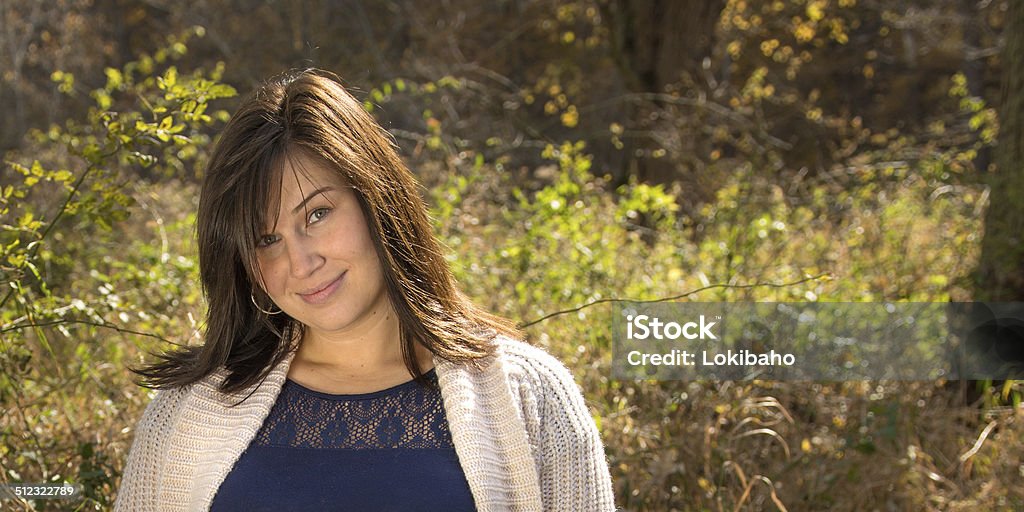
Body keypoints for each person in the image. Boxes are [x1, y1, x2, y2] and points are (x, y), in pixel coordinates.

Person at [114, 69, 616, 511]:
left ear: (377, 199)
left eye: (317, 213)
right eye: (267, 239)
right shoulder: (184, 415)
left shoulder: (530, 396)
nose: (302, 262)